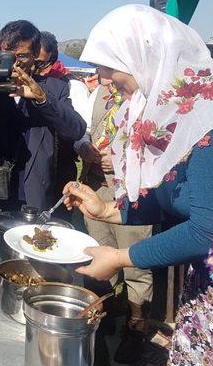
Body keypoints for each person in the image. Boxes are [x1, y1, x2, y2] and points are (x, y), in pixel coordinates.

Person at [61, 4, 213, 365]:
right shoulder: (178, 106)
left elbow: (210, 229)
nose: (103, 79)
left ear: (143, 54)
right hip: (209, 283)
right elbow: (174, 192)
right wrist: (109, 209)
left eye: (108, 67)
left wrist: (121, 258)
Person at [0, 20, 86, 217]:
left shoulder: (54, 88)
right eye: (7, 56)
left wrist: (41, 98)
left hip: (34, 196)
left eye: (22, 56)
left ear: (35, 56)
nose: (14, 64)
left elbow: (75, 130)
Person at [75, 82, 153, 364]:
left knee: (134, 265)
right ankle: (103, 314)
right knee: (100, 253)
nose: (104, 74)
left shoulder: (147, 93)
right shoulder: (99, 93)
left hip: (132, 190)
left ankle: (136, 328)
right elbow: (85, 128)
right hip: (98, 187)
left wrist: (119, 159)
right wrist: (84, 146)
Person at [36, 31, 91, 207]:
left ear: (52, 60)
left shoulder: (72, 86)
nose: (35, 70)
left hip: (60, 167)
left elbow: (82, 129)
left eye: (40, 64)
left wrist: (82, 145)